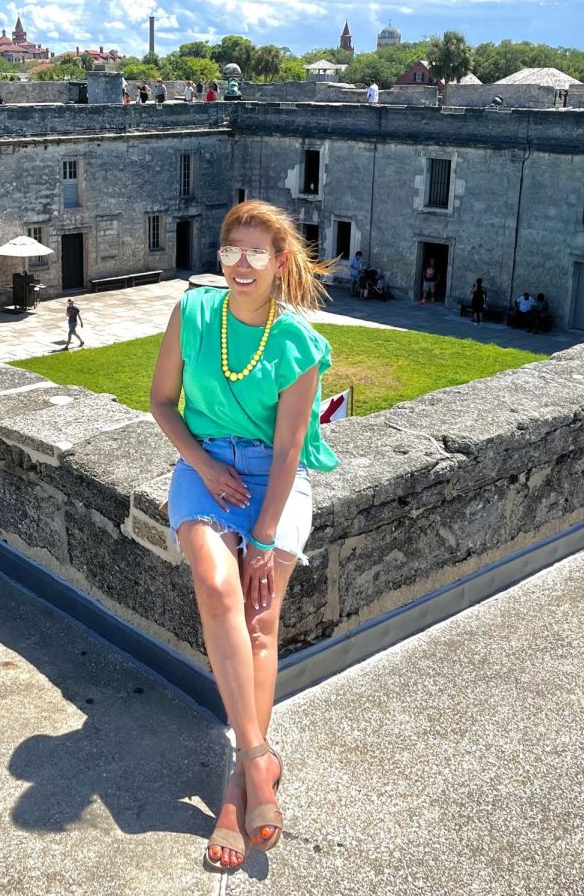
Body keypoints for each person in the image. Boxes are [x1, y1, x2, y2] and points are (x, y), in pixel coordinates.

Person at [150, 199, 338, 872]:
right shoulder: (193, 313)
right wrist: (203, 464)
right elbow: (161, 403)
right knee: (216, 587)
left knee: (261, 614)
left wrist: (263, 535)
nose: (241, 263)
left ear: (279, 262)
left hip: (274, 480)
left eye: (257, 252)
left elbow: (290, 451)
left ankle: (236, 783)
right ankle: (261, 758)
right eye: (232, 250)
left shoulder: (298, 345)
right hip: (204, 467)